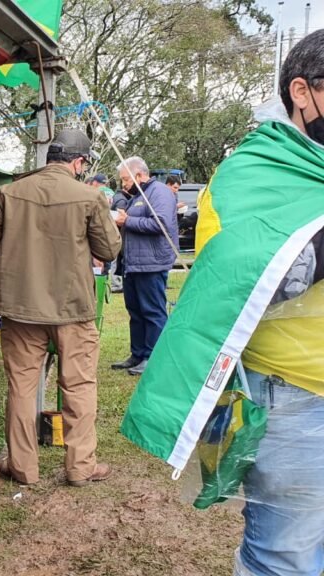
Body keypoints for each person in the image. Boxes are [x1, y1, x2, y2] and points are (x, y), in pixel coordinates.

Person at [121, 31, 324, 576]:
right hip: (297, 395)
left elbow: (155, 223)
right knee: (287, 555)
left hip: (146, 267)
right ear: (302, 92)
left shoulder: (156, 193)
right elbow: (236, 270)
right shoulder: (254, 170)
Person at [0, 129, 121, 487]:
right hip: (73, 309)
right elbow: (109, 250)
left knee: (22, 387)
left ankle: (23, 468)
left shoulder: (9, 192)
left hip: (20, 309)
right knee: (80, 385)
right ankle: (81, 467)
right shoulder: (89, 197)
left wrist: (8, 277)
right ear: (79, 162)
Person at [111, 157, 178, 376]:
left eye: (125, 180)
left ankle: (153, 357)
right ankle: (137, 354)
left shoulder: (159, 192)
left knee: (152, 311)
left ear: (139, 175)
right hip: (134, 264)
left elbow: (160, 223)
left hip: (152, 264)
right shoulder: (139, 196)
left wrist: (126, 221)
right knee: (136, 311)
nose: (123, 185)